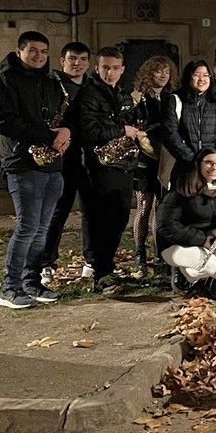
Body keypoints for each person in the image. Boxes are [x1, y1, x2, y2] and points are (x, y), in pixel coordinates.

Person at [0, 31, 72, 309]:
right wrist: (49, 135)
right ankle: (9, 289)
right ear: (19, 51)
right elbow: (5, 122)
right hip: (23, 163)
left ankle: (31, 282)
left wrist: (65, 130)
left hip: (52, 164)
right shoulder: (3, 80)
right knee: (27, 228)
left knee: (41, 229)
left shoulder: (52, 82)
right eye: (32, 50)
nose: (38, 56)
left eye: (43, 51)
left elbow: (59, 118)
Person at [74, 46, 141, 293]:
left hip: (123, 165)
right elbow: (89, 131)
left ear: (122, 70)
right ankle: (101, 272)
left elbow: (131, 124)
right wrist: (122, 131)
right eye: (105, 67)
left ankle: (106, 267)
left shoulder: (123, 95)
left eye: (115, 68)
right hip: (99, 166)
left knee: (120, 217)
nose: (110, 72)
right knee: (101, 220)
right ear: (97, 68)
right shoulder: (89, 94)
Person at [157, 148, 216, 298]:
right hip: (177, 244)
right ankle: (189, 279)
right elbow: (166, 226)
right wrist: (202, 240)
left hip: (205, 240)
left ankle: (215, 285)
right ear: (198, 164)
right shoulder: (181, 188)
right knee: (212, 265)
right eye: (208, 162)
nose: (214, 168)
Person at [41, 40, 91, 284]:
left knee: (90, 212)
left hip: (89, 156)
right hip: (64, 157)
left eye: (82, 59)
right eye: (72, 59)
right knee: (58, 211)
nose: (77, 64)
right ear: (62, 61)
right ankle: (47, 262)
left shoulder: (92, 86)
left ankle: (91, 262)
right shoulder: (53, 85)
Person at [129, 55, 177, 273]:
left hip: (165, 158)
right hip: (144, 160)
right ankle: (140, 252)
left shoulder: (171, 97)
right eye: (159, 71)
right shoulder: (138, 98)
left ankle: (160, 254)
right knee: (144, 206)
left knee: (160, 207)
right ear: (149, 74)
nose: (163, 76)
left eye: (166, 72)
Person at [162, 60, 216, 187]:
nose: (202, 79)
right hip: (185, 168)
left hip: (213, 172)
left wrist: (215, 162)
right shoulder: (175, 101)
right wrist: (195, 161)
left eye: (206, 75)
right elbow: (170, 134)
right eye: (196, 75)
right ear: (189, 76)